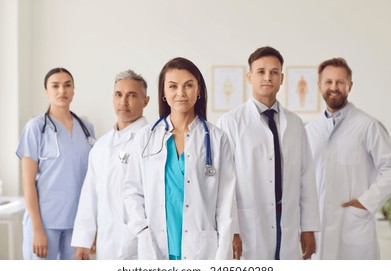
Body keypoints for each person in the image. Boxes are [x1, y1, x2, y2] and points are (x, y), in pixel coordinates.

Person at [124, 57, 238, 260]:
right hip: (155, 246)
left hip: (201, 250)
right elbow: (132, 192)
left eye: (188, 85)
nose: (180, 93)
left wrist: (222, 257)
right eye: (173, 86)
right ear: (164, 93)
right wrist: (142, 231)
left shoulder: (217, 139)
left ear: (199, 90)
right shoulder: (146, 137)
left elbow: (226, 204)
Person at [217, 46, 320, 260]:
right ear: (249, 77)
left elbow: (306, 176)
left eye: (274, 72)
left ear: (282, 78)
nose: (267, 77)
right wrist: (232, 230)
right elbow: (224, 183)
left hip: (288, 218)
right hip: (248, 222)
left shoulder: (295, 123)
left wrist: (308, 227)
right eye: (261, 71)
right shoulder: (230, 122)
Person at [306, 57, 391, 259]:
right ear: (319, 86)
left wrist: (365, 203)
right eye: (328, 82)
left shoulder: (368, 125)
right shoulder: (309, 130)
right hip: (318, 228)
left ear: (349, 86)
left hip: (353, 226)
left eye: (340, 82)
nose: (333, 87)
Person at [16, 68, 95, 260]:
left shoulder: (86, 129)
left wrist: (91, 228)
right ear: (46, 91)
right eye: (55, 86)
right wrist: (37, 229)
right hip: (45, 222)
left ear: (73, 90)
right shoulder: (35, 128)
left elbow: (92, 181)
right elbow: (27, 184)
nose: (62, 91)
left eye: (67, 85)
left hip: (77, 224)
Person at [71, 69, 150, 260]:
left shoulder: (152, 141)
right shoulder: (101, 146)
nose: (123, 102)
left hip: (141, 243)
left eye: (132, 95)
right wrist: (83, 240)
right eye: (118, 94)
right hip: (106, 242)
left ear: (145, 101)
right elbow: (89, 194)